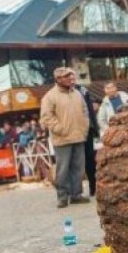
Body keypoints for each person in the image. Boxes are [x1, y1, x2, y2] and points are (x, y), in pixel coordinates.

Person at [39, 67, 90, 208]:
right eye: (66, 76)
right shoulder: (49, 96)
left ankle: (76, 195)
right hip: (62, 139)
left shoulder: (77, 94)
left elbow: (85, 112)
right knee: (63, 169)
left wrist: (85, 128)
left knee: (78, 168)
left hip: (79, 136)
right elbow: (46, 117)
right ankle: (62, 196)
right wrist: (59, 129)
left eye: (70, 76)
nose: (70, 78)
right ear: (58, 79)